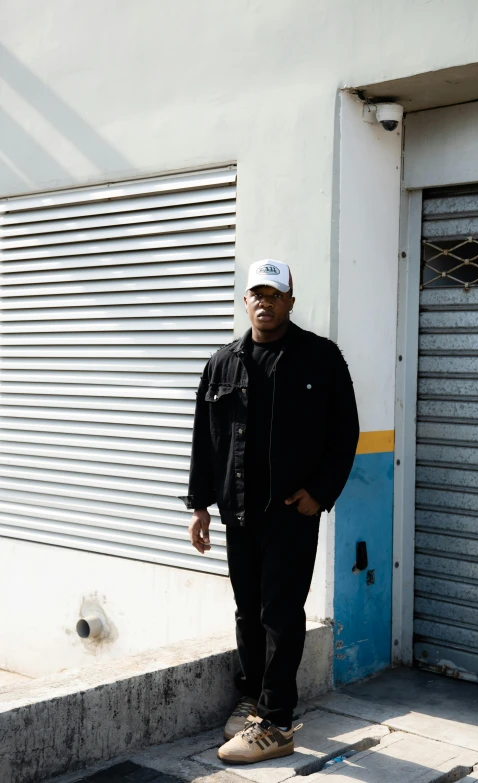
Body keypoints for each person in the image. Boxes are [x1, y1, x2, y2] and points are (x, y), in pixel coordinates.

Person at [182, 259, 359, 764]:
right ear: (245, 302)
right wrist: (199, 507)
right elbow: (205, 442)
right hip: (239, 512)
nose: (265, 301)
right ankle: (253, 698)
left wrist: (319, 493)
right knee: (248, 611)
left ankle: (277, 722)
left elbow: (344, 433)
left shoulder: (321, 358)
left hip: (291, 513)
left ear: (290, 302)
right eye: (256, 293)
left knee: (281, 613)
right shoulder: (222, 363)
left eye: (275, 294)